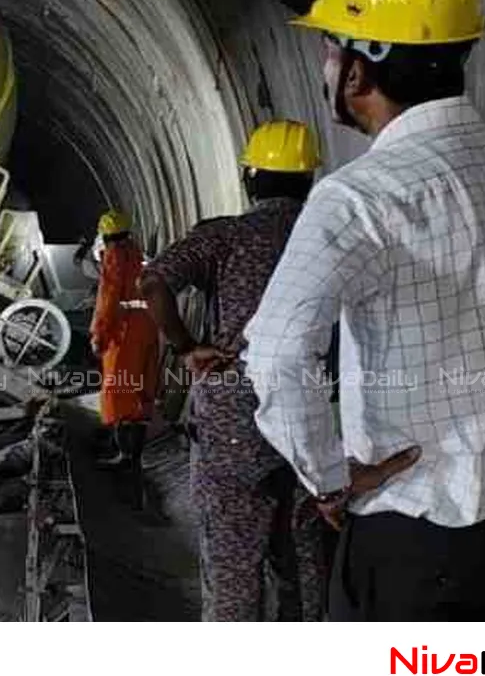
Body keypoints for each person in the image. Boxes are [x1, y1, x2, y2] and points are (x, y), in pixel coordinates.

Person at [245, 0, 485, 621]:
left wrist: (328, 475)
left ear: (361, 72)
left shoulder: (359, 200)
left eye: (331, 49)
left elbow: (275, 353)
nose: (326, 69)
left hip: (413, 549)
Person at [140, 120, 335, 621]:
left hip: (234, 421)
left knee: (232, 565)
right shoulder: (331, 235)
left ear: (250, 179)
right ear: (309, 179)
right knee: (306, 561)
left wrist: (187, 347)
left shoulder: (226, 237)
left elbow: (155, 281)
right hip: (313, 416)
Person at [90, 209, 160, 510]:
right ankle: (134, 452)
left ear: (105, 235)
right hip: (147, 323)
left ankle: (124, 454)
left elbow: (107, 299)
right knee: (142, 389)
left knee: (118, 390)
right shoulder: (137, 252)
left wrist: (99, 334)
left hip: (125, 328)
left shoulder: (114, 257)